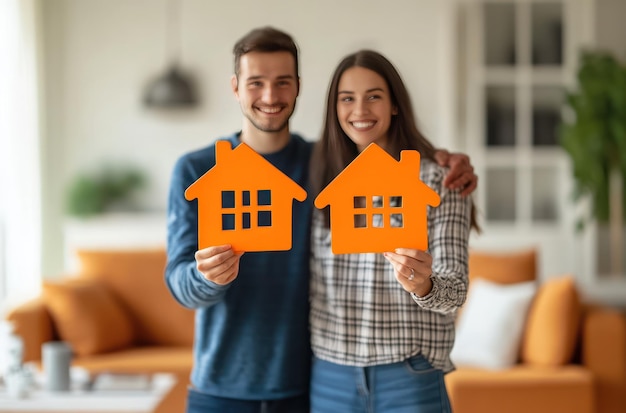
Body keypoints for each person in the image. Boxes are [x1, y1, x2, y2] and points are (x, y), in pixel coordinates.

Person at [165, 27, 477, 413]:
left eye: (282, 82)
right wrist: (205, 277)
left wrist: (443, 159)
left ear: (297, 87)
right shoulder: (197, 169)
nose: (269, 96)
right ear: (235, 87)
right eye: (256, 82)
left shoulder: (320, 166)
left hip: (304, 384)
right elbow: (179, 283)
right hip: (223, 385)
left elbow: (383, 158)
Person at [308, 49, 479, 413]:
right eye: (347, 99)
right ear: (334, 109)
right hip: (330, 375)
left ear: (395, 104)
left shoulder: (439, 181)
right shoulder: (317, 179)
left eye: (374, 96)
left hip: (409, 373)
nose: (360, 110)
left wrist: (424, 285)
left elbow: (456, 291)